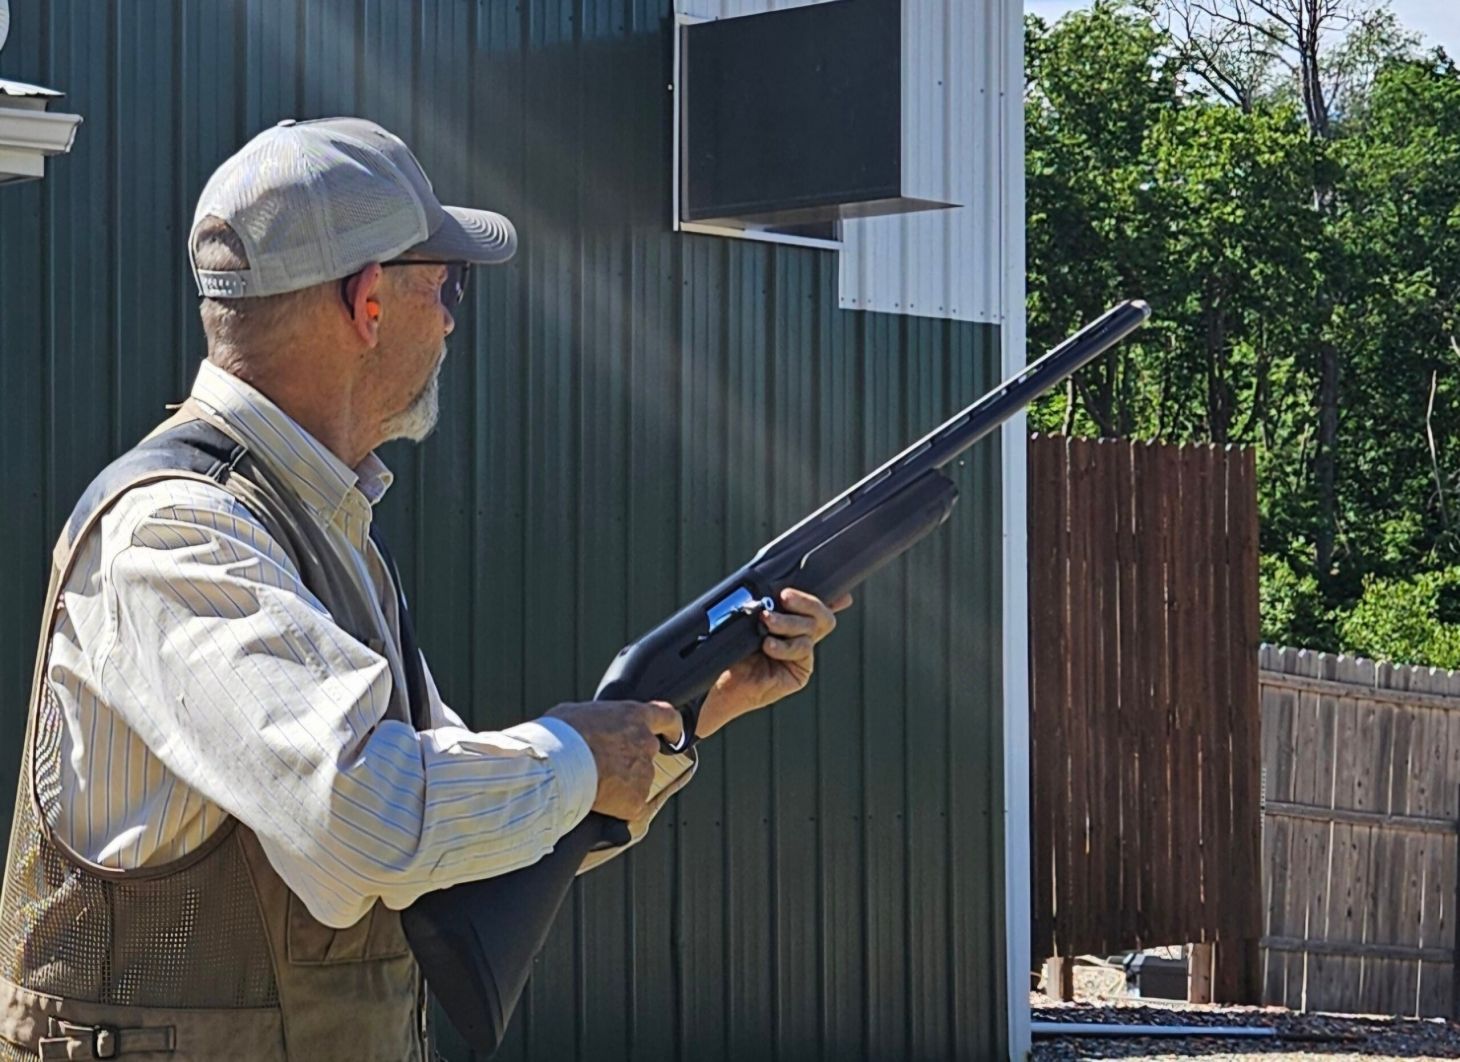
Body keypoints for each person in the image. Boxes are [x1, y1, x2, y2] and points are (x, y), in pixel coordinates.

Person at [0, 117, 847, 1061]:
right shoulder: (181, 530)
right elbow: (365, 816)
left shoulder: (316, 520)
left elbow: (449, 824)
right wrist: (576, 756)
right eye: (447, 285)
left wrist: (688, 711)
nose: (450, 319)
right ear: (368, 303)